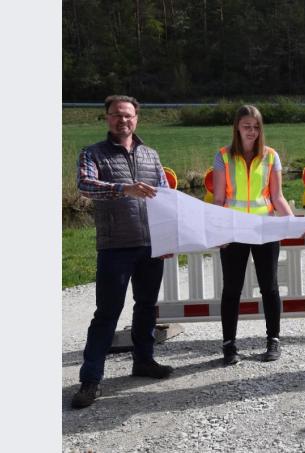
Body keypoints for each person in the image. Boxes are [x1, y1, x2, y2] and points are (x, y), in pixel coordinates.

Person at [72, 95, 174, 409]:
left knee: (146, 306)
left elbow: (165, 198)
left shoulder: (151, 155)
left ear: (137, 119)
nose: (123, 120)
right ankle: (90, 380)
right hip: (115, 246)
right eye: (116, 115)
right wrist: (122, 188)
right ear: (106, 118)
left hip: (149, 245)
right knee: (107, 313)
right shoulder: (92, 153)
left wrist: (167, 238)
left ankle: (143, 360)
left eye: (128, 115)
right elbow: (85, 185)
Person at [212, 105, 301, 365]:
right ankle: (229, 345)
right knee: (231, 289)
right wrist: (217, 229)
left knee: (269, 287)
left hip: (264, 229)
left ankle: (273, 340)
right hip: (233, 229)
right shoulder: (223, 157)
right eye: (246, 126)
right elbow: (218, 198)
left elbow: (277, 197)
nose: (251, 131)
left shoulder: (271, 157)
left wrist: (292, 222)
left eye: (256, 126)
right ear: (237, 128)